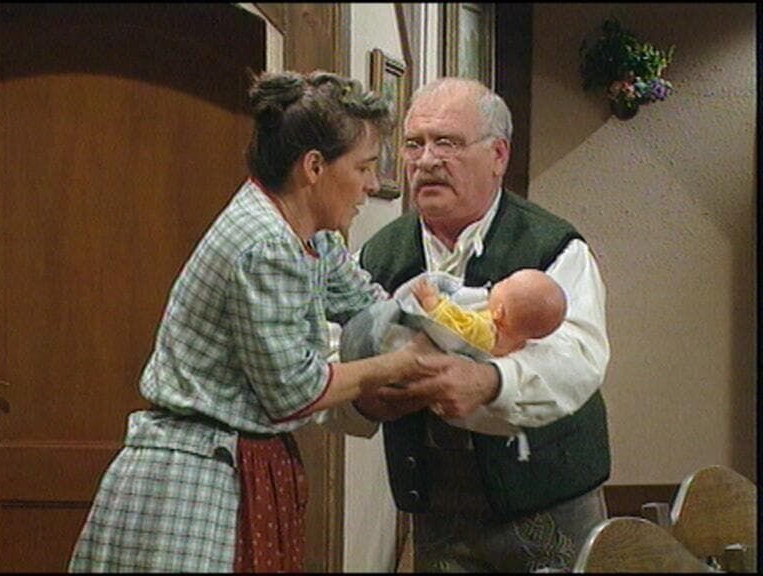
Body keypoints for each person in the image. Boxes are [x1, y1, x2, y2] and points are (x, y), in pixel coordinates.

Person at [67, 70, 444, 573]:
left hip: (237, 461)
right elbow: (294, 393)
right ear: (314, 167)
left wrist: (439, 319)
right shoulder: (265, 243)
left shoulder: (311, 233)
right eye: (364, 167)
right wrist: (397, 364)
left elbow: (366, 306)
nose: (372, 185)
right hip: (195, 475)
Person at [332, 77, 612, 573]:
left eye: (447, 143)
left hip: (549, 500)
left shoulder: (553, 247)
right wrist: (363, 400)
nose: (426, 160)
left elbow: (579, 358)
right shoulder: (376, 256)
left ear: (498, 155)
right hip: (437, 508)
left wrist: (491, 381)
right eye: (414, 144)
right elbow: (333, 352)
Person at [409, 268, 567, 356]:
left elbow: (454, 325)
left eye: (505, 282)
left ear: (498, 313)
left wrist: (432, 302)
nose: (498, 282)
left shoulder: (484, 330)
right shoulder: (517, 342)